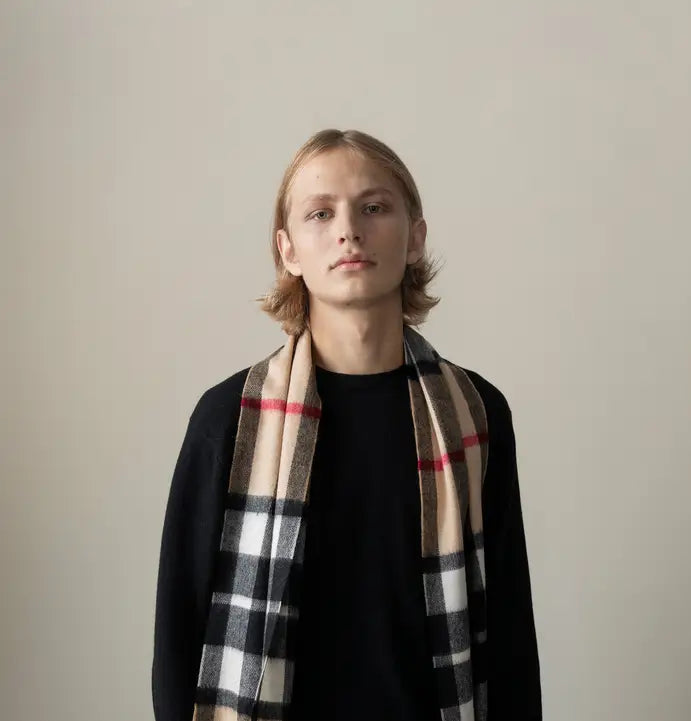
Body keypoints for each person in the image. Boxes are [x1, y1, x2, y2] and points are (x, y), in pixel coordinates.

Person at [152, 128, 542, 721]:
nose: (348, 230)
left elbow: (510, 630)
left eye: (373, 207)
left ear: (415, 237)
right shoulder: (230, 418)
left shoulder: (474, 412)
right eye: (320, 213)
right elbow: (179, 634)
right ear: (288, 251)